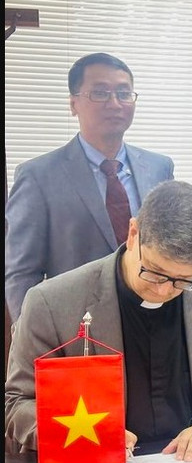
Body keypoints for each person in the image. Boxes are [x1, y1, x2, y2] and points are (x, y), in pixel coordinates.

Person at [5, 181, 192, 460]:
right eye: (155, 272)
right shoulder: (53, 302)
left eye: (183, 281)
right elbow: (17, 404)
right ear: (133, 233)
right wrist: (83, 432)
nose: (163, 290)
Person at [5, 52, 174, 323]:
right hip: (76, 325)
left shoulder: (159, 167)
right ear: (73, 104)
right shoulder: (38, 176)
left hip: (152, 319)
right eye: (100, 93)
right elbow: (21, 272)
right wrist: (31, 336)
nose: (115, 103)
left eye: (124, 93)